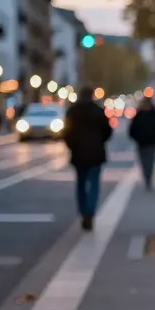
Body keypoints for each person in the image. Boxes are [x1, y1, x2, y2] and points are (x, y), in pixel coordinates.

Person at [62, 89, 114, 230]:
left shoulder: (73, 112)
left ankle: (84, 210)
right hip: (95, 152)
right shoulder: (98, 111)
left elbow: (66, 132)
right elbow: (107, 131)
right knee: (94, 184)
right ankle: (90, 211)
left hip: (79, 153)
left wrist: (72, 145)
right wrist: (99, 142)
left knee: (80, 184)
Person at [128, 97, 155, 189]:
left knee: (144, 160)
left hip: (142, 142)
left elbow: (132, 129)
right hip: (152, 141)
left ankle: (147, 176)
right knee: (150, 160)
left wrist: (136, 137)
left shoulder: (139, 115)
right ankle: (148, 176)